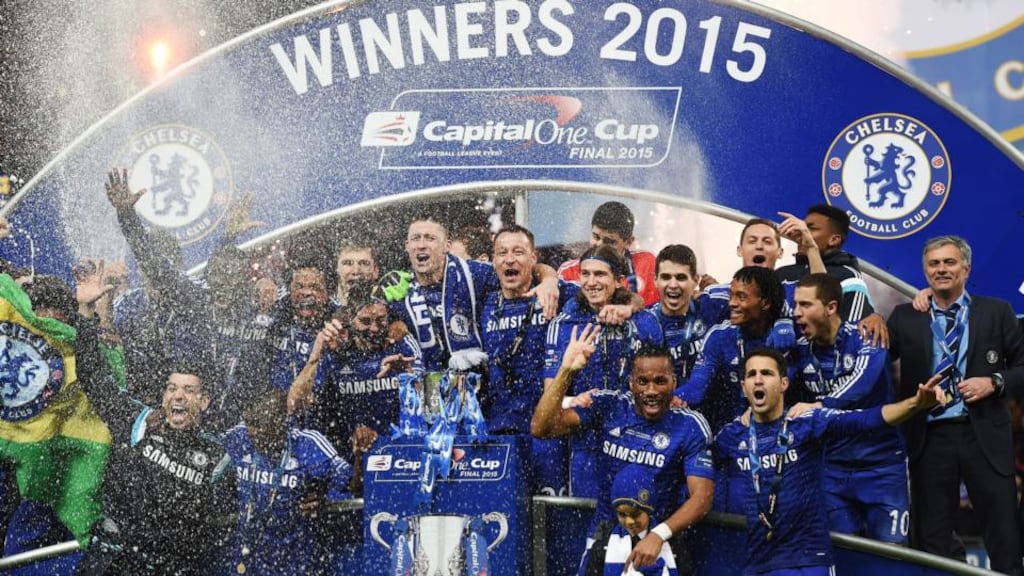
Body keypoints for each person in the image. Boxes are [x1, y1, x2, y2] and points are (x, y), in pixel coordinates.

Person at [715, 348, 944, 576]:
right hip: (759, 563)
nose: (758, 380)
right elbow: (695, 468)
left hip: (810, 561)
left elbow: (867, 420)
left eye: (766, 373)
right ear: (743, 387)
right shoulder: (731, 436)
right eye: (751, 374)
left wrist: (915, 403)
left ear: (784, 383)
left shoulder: (806, 423)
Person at [887, 235, 1024, 574]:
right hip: (928, 438)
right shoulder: (905, 317)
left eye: (949, 262)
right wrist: (873, 320)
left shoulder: (996, 311)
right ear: (925, 270)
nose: (941, 270)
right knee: (932, 538)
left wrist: (994, 382)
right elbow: (878, 366)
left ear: (966, 268)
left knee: (1004, 536)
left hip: (985, 436)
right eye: (934, 264)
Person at [533, 331, 713, 575]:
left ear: (674, 381)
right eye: (643, 381)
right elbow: (541, 428)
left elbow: (702, 498)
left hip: (659, 542)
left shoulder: (690, 426)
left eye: (660, 381)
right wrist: (566, 371)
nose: (651, 390)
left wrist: (660, 534)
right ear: (630, 382)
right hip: (605, 537)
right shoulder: (609, 406)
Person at [77, 357, 225, 575]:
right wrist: (88, 322)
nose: (178, 396)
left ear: (204, 401)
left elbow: (218, 528)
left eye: (189, 390)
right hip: (113, 559)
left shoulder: (218, 457)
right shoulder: (140, 424)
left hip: (168, 568)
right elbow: (92, 377)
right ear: (164, 396)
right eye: (171, 388)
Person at [790, 273, 907, 543]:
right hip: (832, 469)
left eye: (805, 305)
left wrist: (819, 406)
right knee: (845, 553)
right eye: (796, 305)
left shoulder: (867, 335)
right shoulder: (798, 349)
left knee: (892, 552)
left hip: (882, 466)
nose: (796, 313)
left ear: (831, 308)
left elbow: (862, 385)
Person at [544, 245, 663, 497]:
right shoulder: (564, 324)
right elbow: (550, 394)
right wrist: (571, 400)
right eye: (585, 274)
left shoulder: (645, 322)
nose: (590, 282)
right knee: (588, 524)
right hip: (586, 445)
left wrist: (630, 308)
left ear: (619, 280)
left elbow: (662, 381)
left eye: (600, 274)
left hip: (637, 441)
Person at [391, 214, 558, 374]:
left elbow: (524, 269)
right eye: (415, 238)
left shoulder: (472, 274)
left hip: (476, 388)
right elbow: (379, 322)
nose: (421, 245)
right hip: (428, 389)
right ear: (407, 246)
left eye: (430, 238)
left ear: (446, 246)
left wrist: (549, 280)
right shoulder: (397, 289)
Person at [217, 387, 354, 575]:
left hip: (296, 564)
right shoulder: (238, 438)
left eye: (259, 423)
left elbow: (354, 484)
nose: (252, 432)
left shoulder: (308, 444)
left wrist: (324, 492)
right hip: (248, 563)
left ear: (282, 421)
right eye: (249, 422)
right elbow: (208, 452)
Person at [288, 279, 423, 457]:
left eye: (381, 320)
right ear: (350, 318)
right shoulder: (334, 346)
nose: (374, 329)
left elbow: (428, 402)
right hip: (346, 454)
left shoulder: (401, 343)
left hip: (397, 448)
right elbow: (294, 405)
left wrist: (409, 375)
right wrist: (316, 356)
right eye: (365, 321)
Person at [776, 205, 874, 322]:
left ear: (834, 240)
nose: (803, 233)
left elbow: (850, 333)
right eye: (803, 227)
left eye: (811, 229)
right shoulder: (782, 273)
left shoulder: (849, 279)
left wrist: (811, 248)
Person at [558, 201, 659, 306]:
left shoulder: (648, 264)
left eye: (610, 241)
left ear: (628, 242)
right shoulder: (568, 272)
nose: (600, 245)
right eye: (596, 237)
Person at [585, 464, 680, 576]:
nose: (629, 521)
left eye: (635, 514)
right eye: (622, 514)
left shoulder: (673, 542)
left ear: (649, 510)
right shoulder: (604, 539)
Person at [648, 245, 718, 385]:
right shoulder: (644, 321)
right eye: (666, 277)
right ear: (655, 280)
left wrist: (714, 288)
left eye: (681, 278)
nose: (673, 285)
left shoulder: (710, 310)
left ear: (695, 280)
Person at [332, 242, 380, 307]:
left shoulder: (390, 309)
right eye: (348, 263)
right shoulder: (324, 308)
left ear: (375, 271)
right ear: (337, 269)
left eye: (364, 263)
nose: (356, 271)